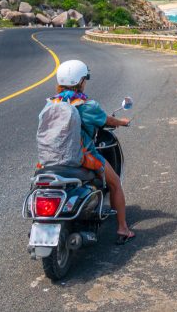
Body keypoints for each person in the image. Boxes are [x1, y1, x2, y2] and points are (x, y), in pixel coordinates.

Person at [50, 59, 135, 244]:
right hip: (82, 157)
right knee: (115, 184)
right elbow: (107, 120)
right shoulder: (86, 105)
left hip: (52, 158)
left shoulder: (52, 104)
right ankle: (123, 228)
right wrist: (123, 122)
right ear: (80, 82)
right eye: (84, 79)